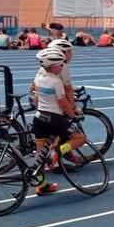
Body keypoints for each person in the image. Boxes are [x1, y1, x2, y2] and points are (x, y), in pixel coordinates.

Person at [30, 48, 85, 194]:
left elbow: (36, 98)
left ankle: (40, 185)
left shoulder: (38, 78)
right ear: (53, 66)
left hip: (39, 118)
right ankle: (59, 151)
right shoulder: (56, 81)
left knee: (40, 155)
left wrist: (39, 109)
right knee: (80, 138)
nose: (62, 67)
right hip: (55, 119)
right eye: (60, 64)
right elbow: (63, 103)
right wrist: (72, 115)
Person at [46, 39, 76, 105]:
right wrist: (73, 106)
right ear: (61, 53)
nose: (71, 54)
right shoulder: (62, 66)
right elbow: (68, 89)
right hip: (53, 103)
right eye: (69, 51)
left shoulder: (45, 65)